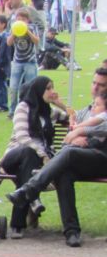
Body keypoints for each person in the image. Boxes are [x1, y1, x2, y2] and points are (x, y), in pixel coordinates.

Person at [6, 69, 107, 247]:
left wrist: (80, 132)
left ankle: (28, 190)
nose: (96, 87)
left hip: (102, 159)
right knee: (63, 173)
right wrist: (73, 132)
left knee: (68, 154)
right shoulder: (86, 110)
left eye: (102, 85)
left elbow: (101, 127)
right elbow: (70, 127)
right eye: (94, 83)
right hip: (80, 159)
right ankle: (72, 232)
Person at [0, 76, 68, 239]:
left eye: (52, 88)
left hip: (32, 165)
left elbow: (74, 117)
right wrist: (42, 154)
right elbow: (22, 137)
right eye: (48, 88)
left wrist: (60, 104)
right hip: (14, 157)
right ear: (38, 90)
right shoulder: (23, 107)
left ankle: (18, 223)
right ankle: (33, 197)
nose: (51, 91)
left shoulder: (49, 111)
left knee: (27, 169)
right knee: (30, 152)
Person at [7, 8, 39, 113]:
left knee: (31, 86)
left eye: (23, 19)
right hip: (17, 61)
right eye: (18, 19)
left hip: (30, 61)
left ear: (27, 20)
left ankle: (31, 109)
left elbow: (37, 41)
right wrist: (14, 33)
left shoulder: (32, 28)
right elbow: (9, 43)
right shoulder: (13, 28)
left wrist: (27, 31)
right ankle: (12, 110)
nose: (20, 21)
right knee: (13, 87)